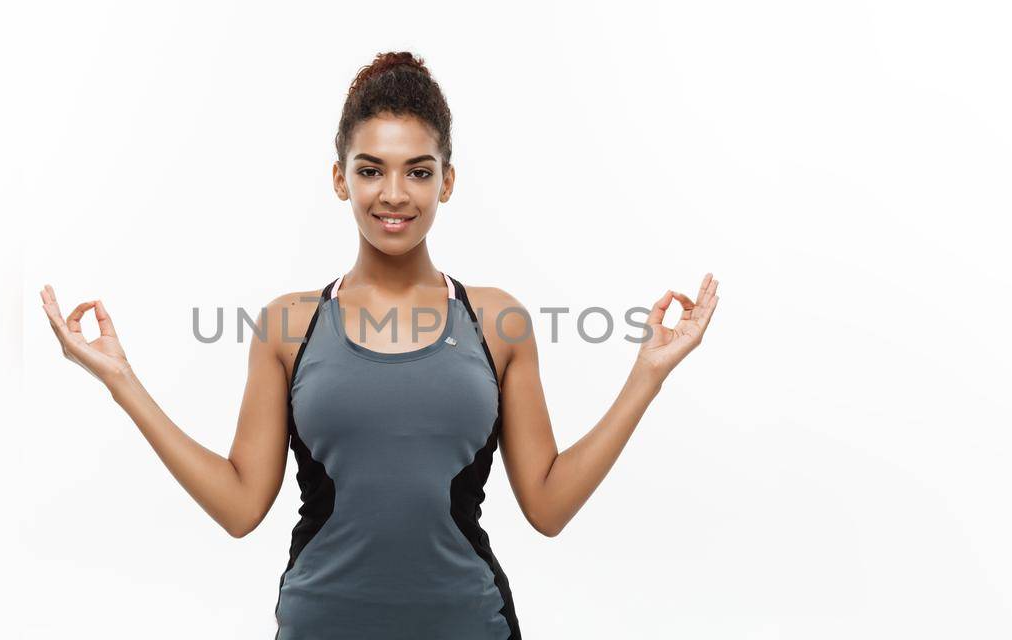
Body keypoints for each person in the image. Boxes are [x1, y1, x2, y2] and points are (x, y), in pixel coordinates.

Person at [40, 50, 720, 640]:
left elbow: (547, 505)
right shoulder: (289, 325)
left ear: (447, 182)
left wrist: (647, 375)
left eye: (418, 172)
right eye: (371, 170)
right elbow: (241, 506)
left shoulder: (496, 320)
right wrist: (121, 381)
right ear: (340, 179)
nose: (394, 194)